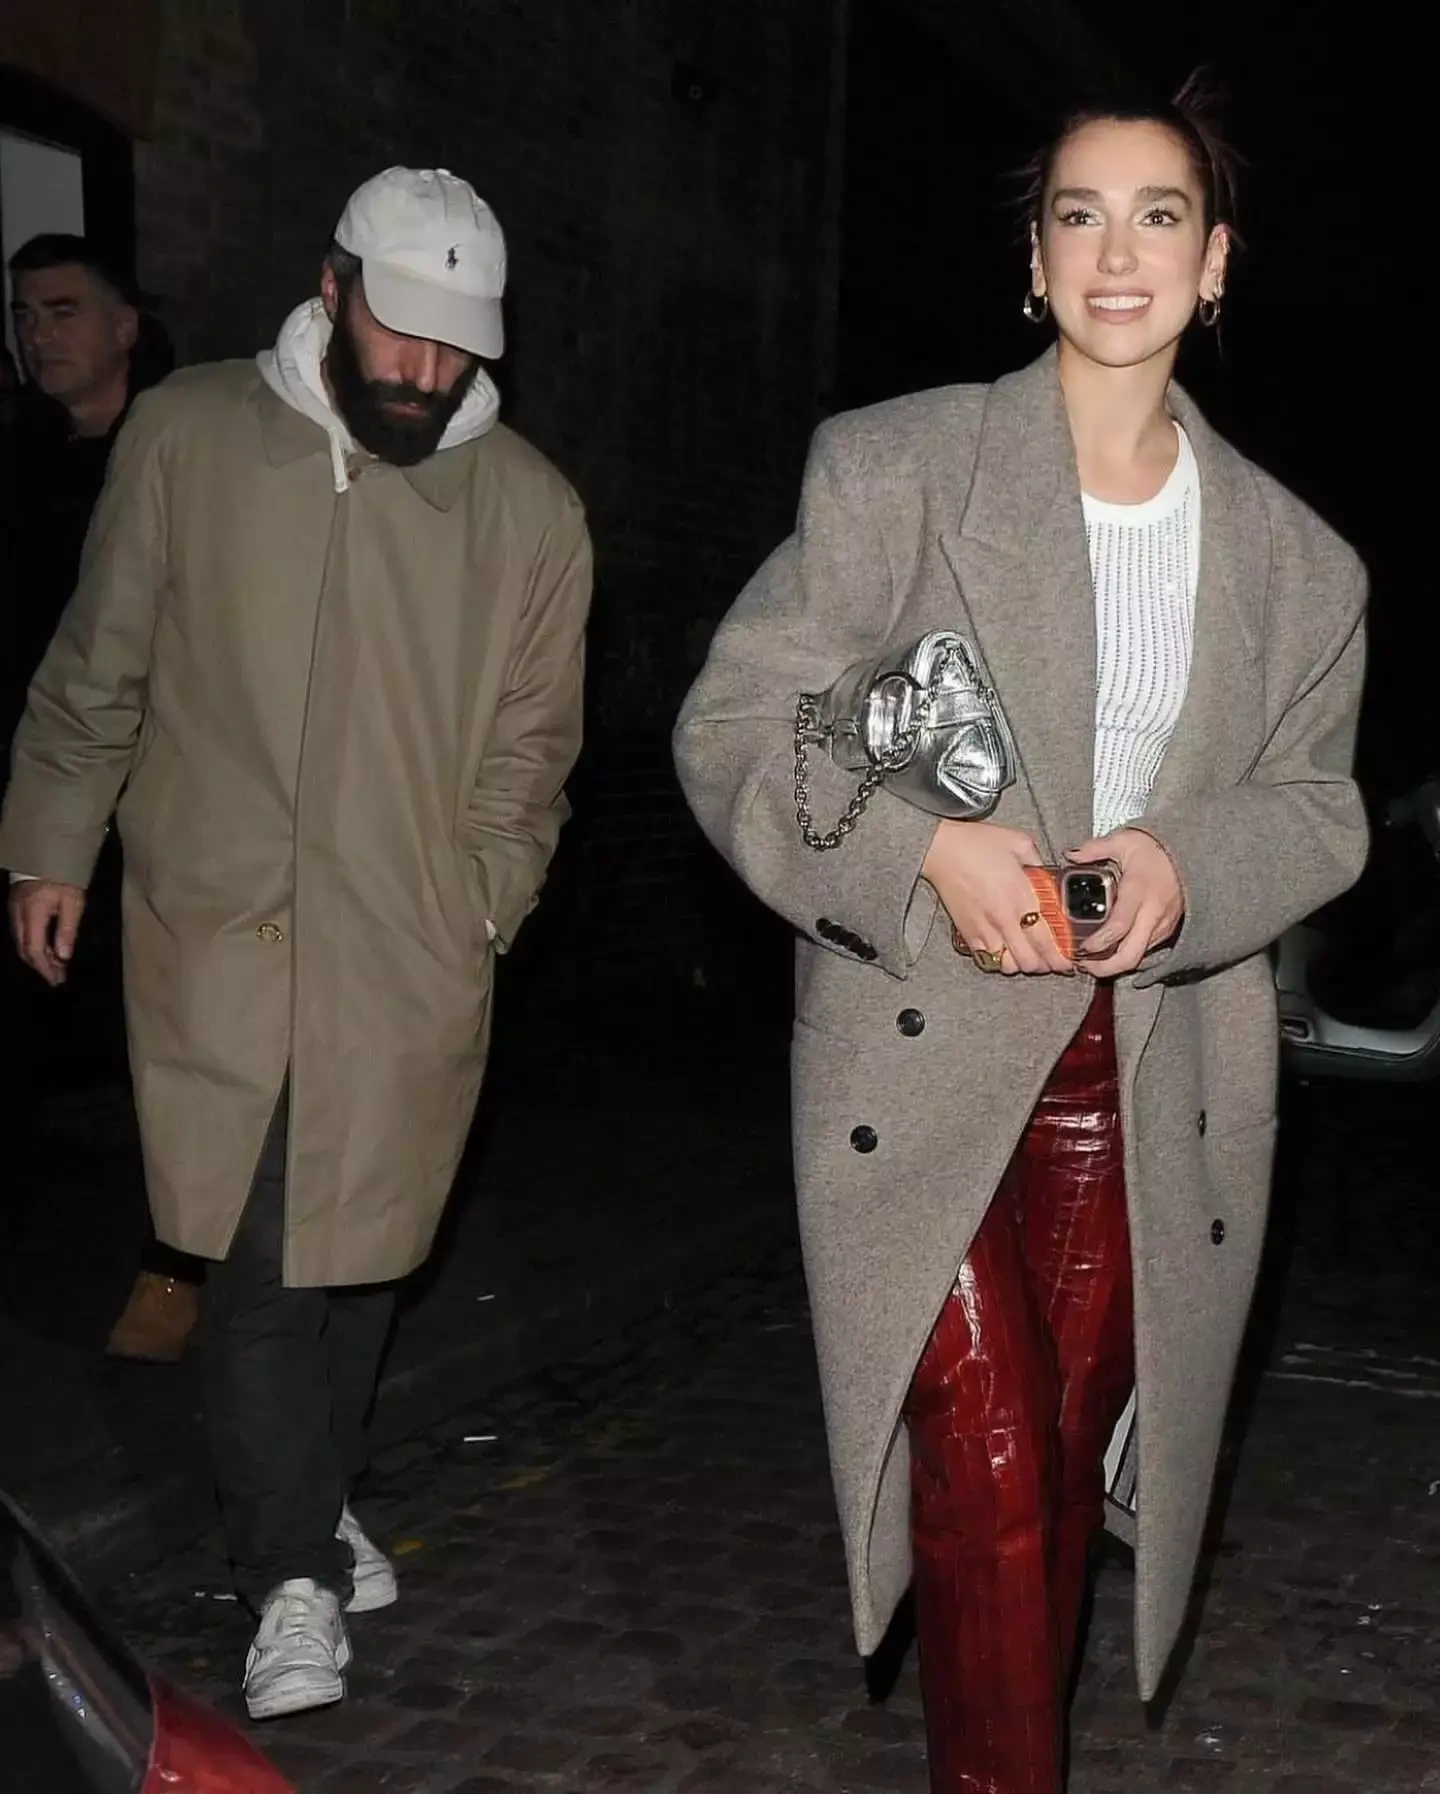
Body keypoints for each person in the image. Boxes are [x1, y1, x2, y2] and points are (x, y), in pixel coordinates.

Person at [674, 82, 1367, 1793]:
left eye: (1157, 216)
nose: (1116, 251)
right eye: (1078, 213)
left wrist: (1186, 861)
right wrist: (920, 848)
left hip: (1135, 1067)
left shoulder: (1299, 562)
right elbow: (741, 725)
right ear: (1036, 256)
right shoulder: (896, 467)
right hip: (920, 1039)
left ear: (1216, 262)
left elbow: (1317, 807)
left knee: (1051, 1473)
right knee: (981, 1456)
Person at [0, 166, 592, 1722]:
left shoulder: (530, 511)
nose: (426, 372)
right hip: (220, 929)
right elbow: (101, 660)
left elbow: (533, 754)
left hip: (407, 944)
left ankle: (312, 1494)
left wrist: (482, 900)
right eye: (402, 334)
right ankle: (288, 1575)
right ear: (333, 292)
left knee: (365, 1256)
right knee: (260, 1256)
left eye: (457, 348)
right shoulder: (188, 435)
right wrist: (53, 838)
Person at [2, 234, 195, 1362]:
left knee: (167, 1039)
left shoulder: (180, 450)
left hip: (154, 792)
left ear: (126, 325)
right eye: (26, 315)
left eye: (63, 310)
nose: (39, 335)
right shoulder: (21, 456)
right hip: (37, 789)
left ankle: (179, 1261)